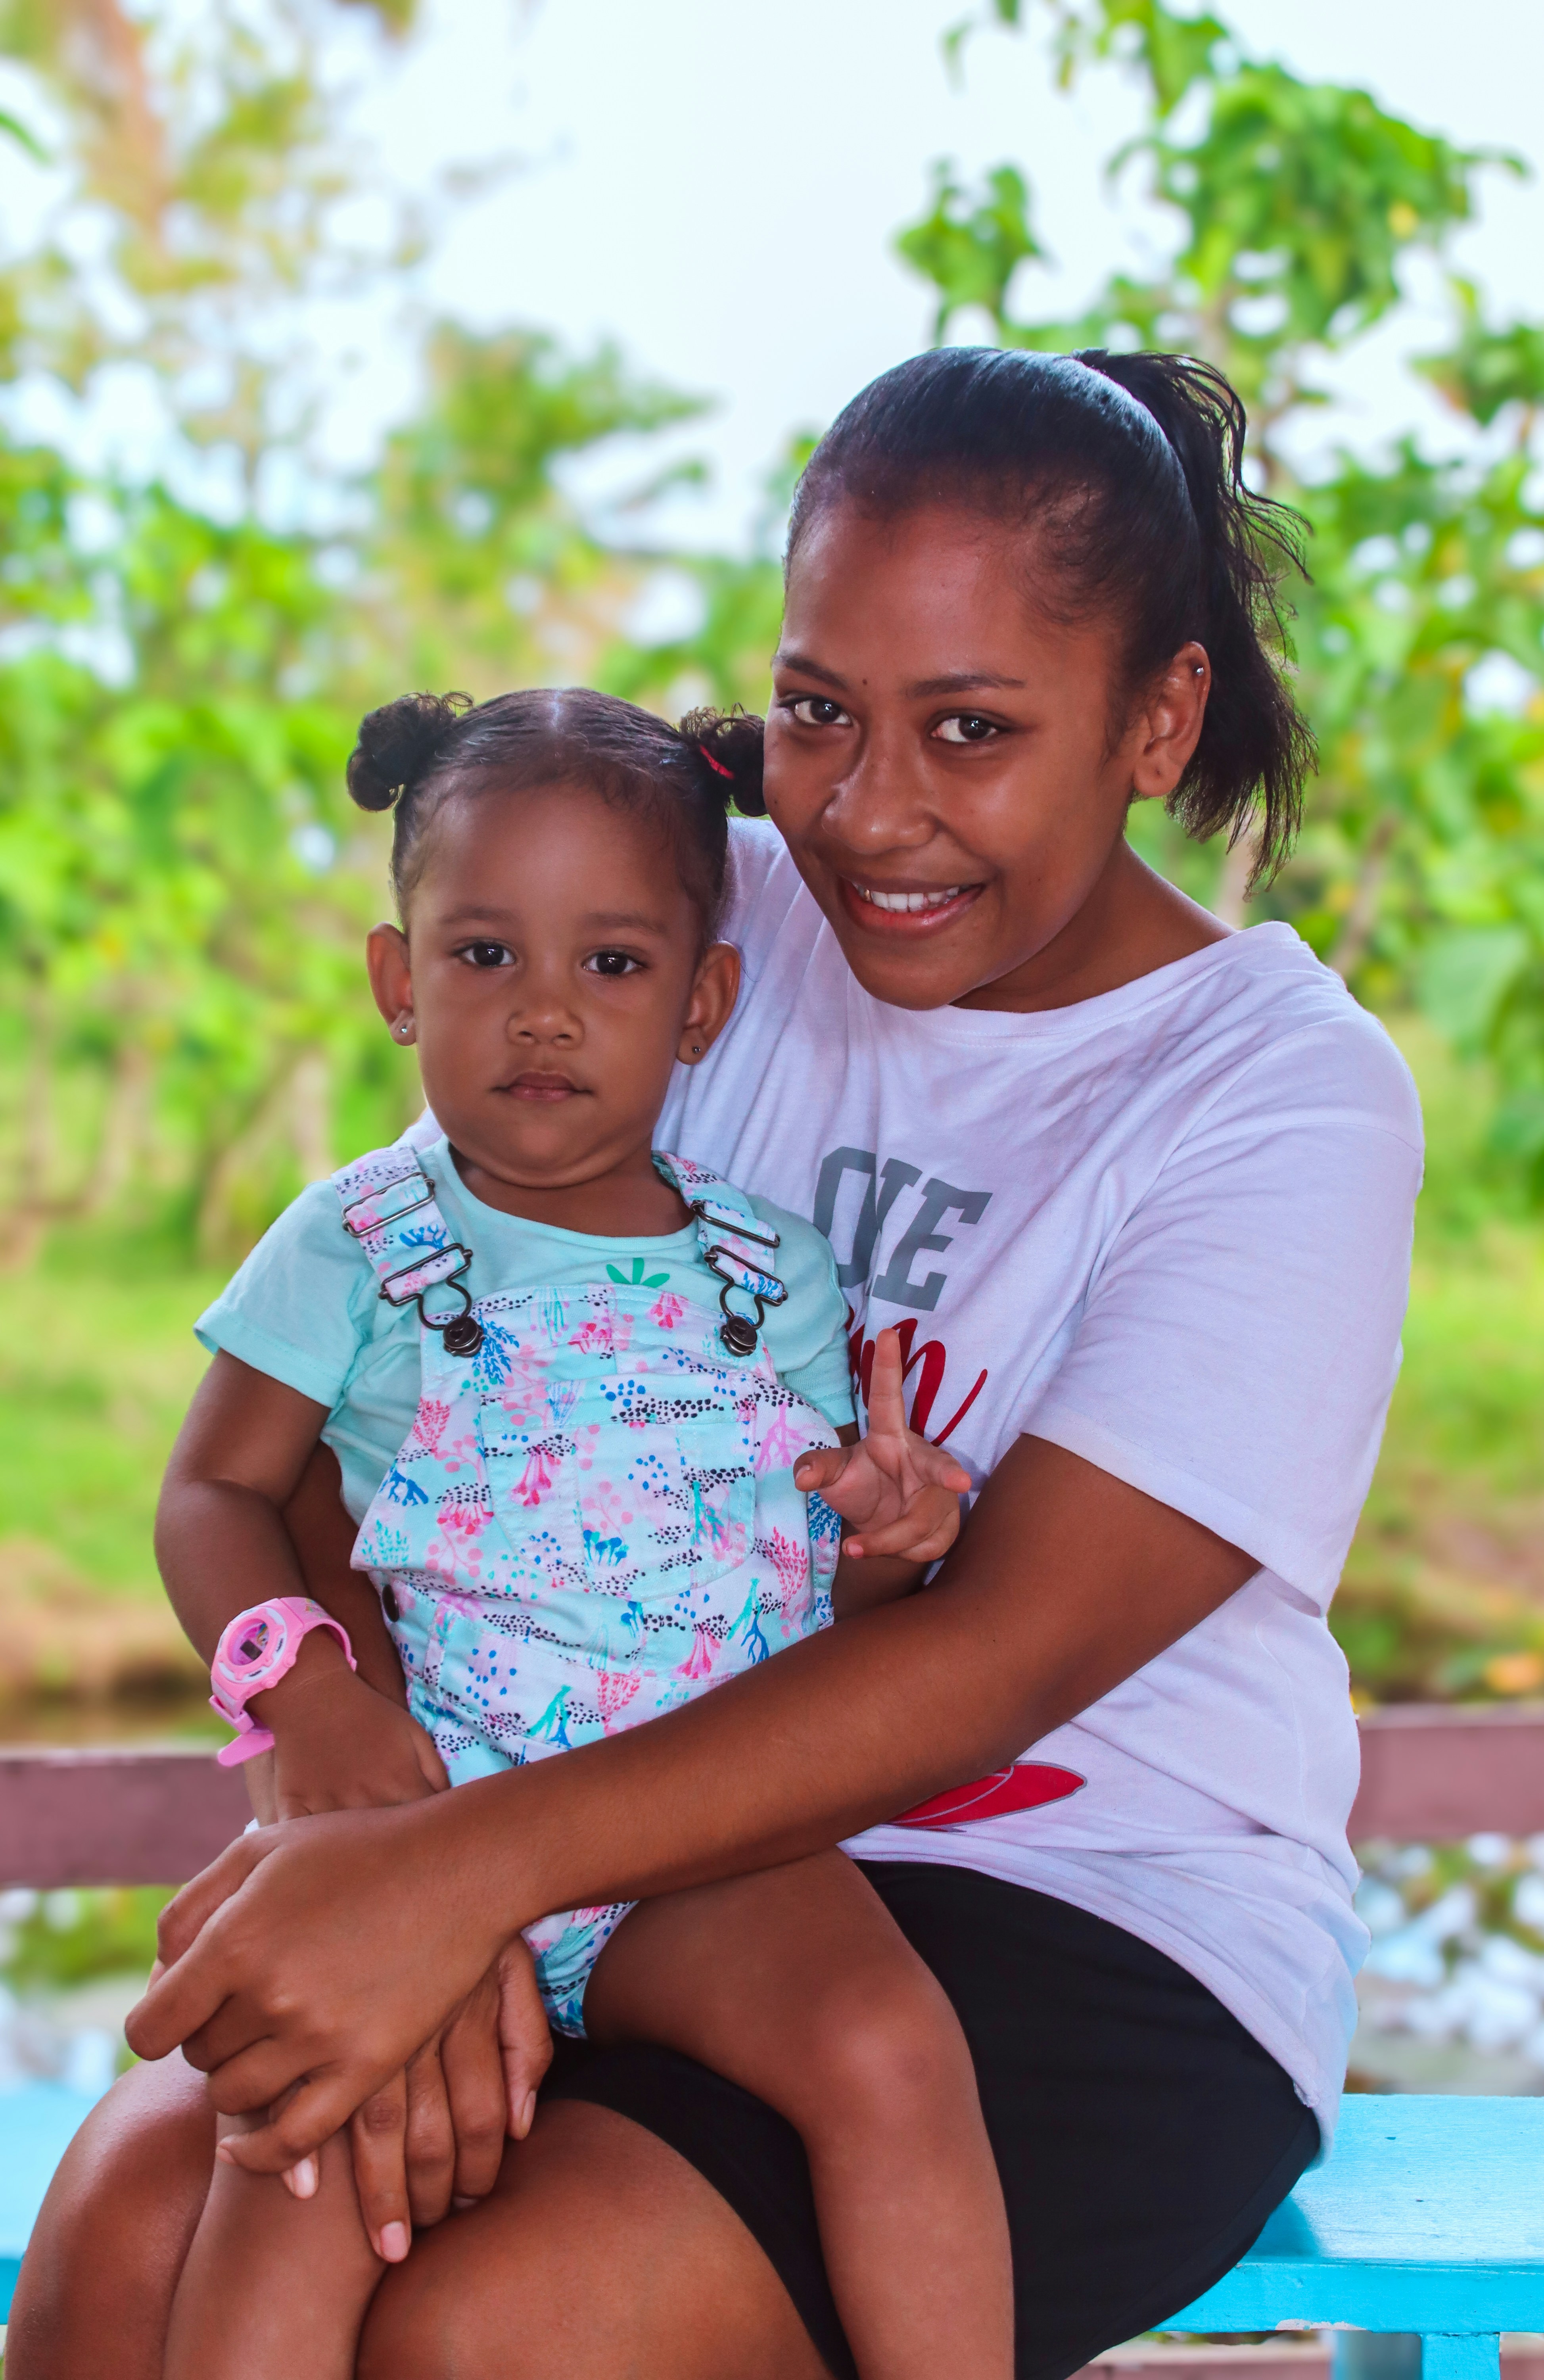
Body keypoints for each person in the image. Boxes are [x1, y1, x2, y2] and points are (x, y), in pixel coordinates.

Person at [10, 347, 1423, 2380]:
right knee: (131, 2225)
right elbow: (354, 1422)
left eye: (969, 730)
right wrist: (409, 1841)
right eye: (818, 712)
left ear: (1156, 716)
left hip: (1083, 1922)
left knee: (490, 2333)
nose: (869, 810)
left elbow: (995, 1648)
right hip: (580, 1826)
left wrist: (464, 1874)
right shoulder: (679, 932)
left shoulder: (1274, 1097)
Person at [148, 684, 1008, 2380]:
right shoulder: (358, 1240)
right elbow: (214, 1493)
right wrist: (303, 1691)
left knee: (885, 2044)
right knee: (291, 2182)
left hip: (691, 1854)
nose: (543, 1016)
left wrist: (885, 1548)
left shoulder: (773, 1275)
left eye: (608, 967)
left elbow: (763, 1569)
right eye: (485, 958)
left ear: (700, 1005)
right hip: (423, 1839)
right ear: (399, 981)